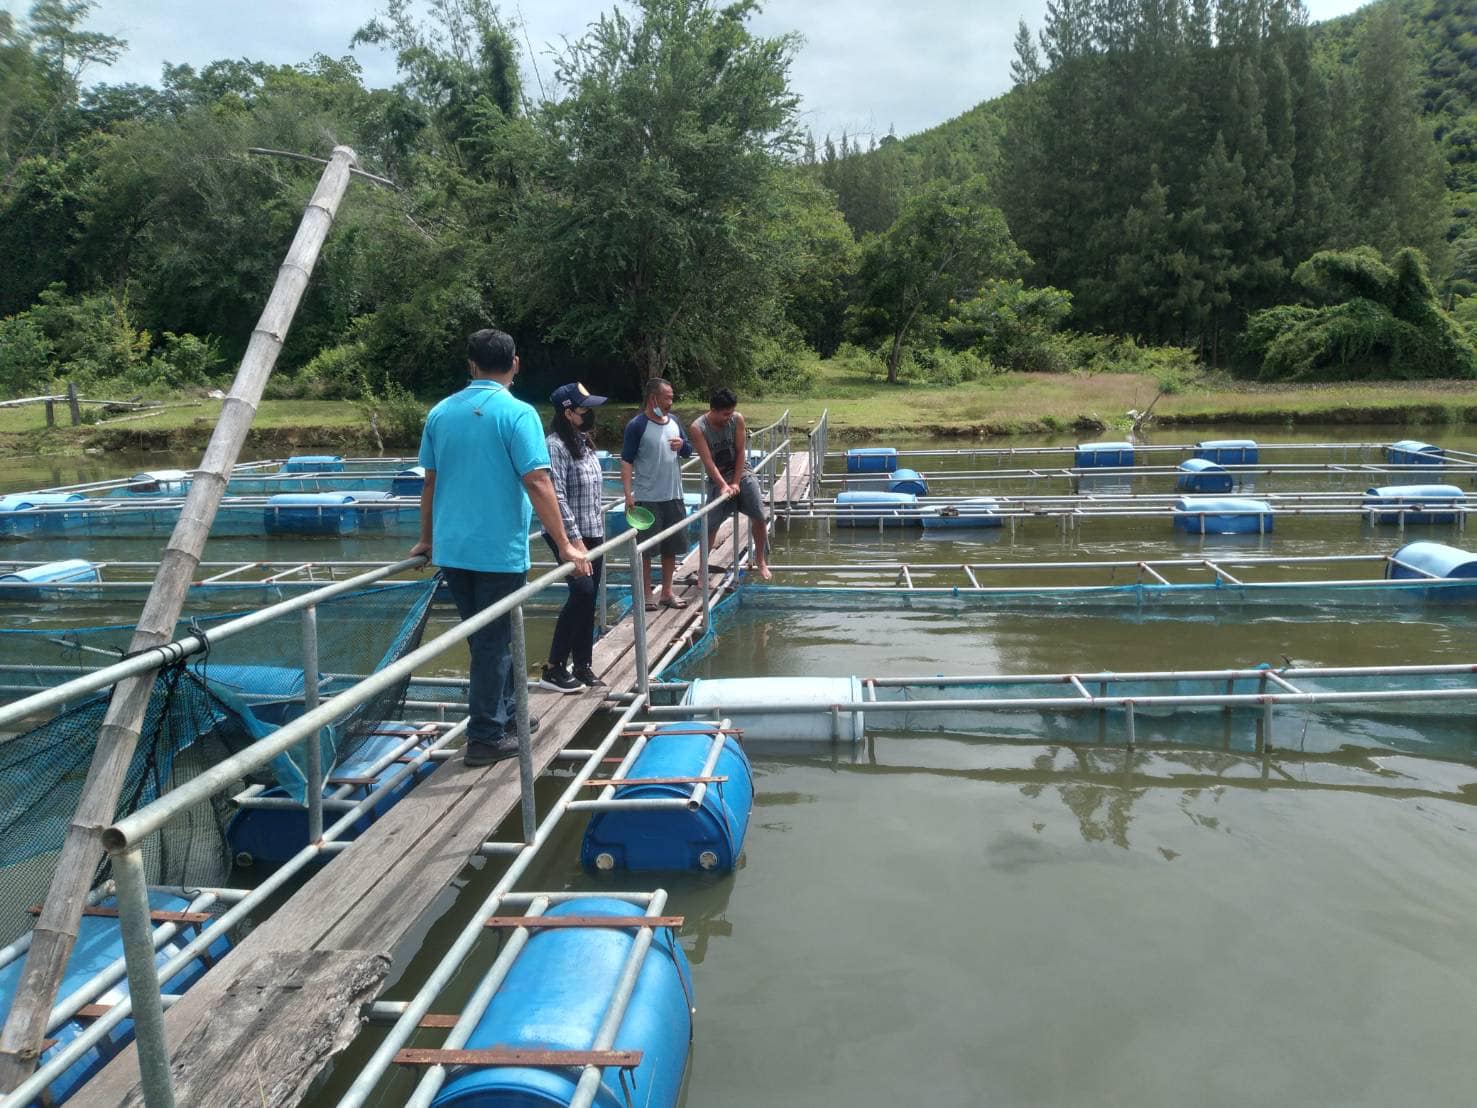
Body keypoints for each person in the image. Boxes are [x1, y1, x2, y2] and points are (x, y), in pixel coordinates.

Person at [410, 329, 590, 768]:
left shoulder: (439, 412)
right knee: (494, 642)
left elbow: (430, 481)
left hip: (453, 549)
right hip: (496, 550)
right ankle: (486, 736)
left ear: (471, 365)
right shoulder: (518, 413)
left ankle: (508, 715)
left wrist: (427, 538)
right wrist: (566, 544)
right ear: (516, 362)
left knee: (489, 638)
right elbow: (537, 481)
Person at [538, 382, 609, 693]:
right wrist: (574, 540)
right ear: (568, 413)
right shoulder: (555, 445)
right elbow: (558, 497)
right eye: (585, 409)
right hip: (568, 534)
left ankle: (582, 665)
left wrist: (594, 536)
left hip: (594, 531)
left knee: (589, 598)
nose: (590, 414)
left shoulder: (584, 440)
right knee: (580, 593)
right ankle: (553, 667)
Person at [620, 376, 693, 611]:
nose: (671, 402)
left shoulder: (674, 421)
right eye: (667, 397)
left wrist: (682, 445)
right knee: (647, 550)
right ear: (653, 398)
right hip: (647, 498)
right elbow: (626, 461)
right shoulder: (637, 425)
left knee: (672, 547)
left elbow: (687, 451)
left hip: (673, 495)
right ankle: (647, 593)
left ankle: (668, 592)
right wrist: (628, 494)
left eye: (671, 397)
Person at [690, 387, 771, 581]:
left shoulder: (737, 419)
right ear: (714, 410)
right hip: (717, 476)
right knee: (710, 525)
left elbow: (741, 451)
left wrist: (735, 482)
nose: (729, 417)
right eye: (726, 414)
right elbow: (708, 462)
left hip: (741, 471)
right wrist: (723, 485)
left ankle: (760, 560)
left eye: (731, 412)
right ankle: (703, 569)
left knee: (759, 515)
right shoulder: (698, 427)